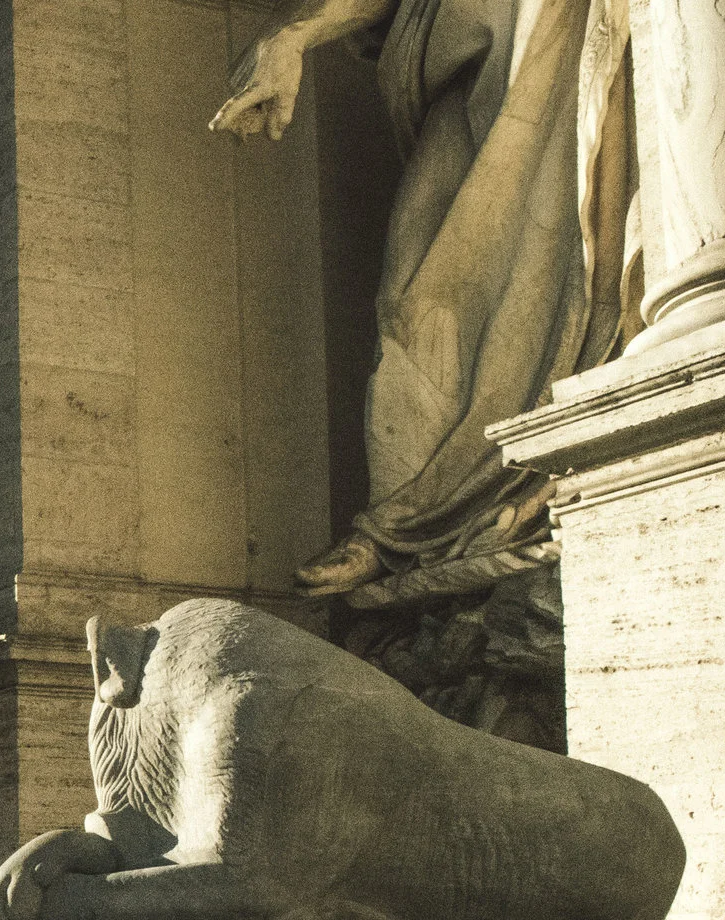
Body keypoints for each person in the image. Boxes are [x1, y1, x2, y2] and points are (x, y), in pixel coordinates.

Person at [212, 0, 634, 595]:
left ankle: (440, 521)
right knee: (416, 303)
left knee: (572, 263)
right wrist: (294, 36)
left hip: (570, 39)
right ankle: (408, 524)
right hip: (469, 63)